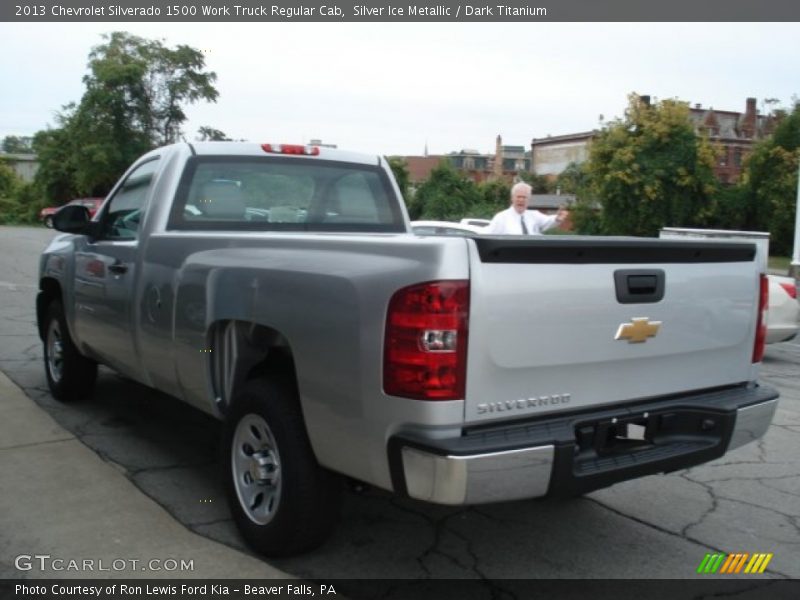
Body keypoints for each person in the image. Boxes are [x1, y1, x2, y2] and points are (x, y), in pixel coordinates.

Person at [486, 182, 568, 235]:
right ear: (512, 198)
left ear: (529, 200)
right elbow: (488, 237)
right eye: (518, 197)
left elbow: (548, 221)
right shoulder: (501, 218)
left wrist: (557, 219)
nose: (521, 200)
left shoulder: (534, 215)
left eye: (524, 197)